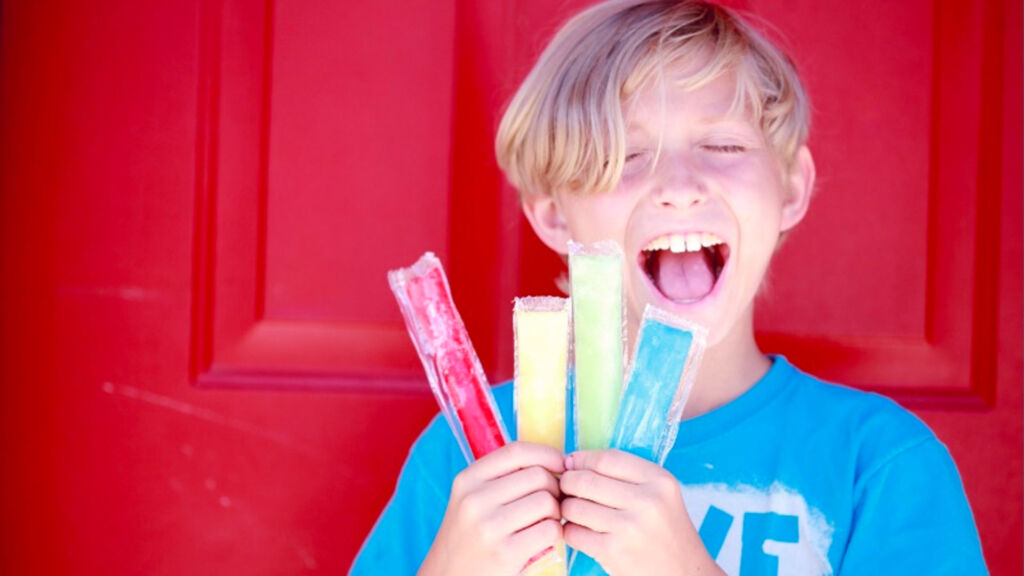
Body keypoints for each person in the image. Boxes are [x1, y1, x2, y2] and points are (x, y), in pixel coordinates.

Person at [350, 1, 988, 574]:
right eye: (626, 156)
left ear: (790, 187)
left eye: (723, 144)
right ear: (553, 215)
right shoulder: (468, 460)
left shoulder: (877, 464)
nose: (680, 186)